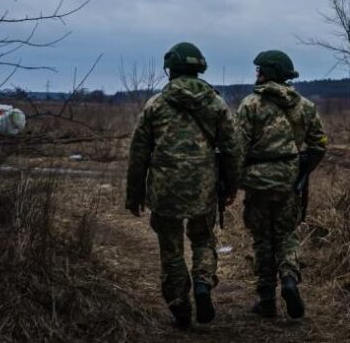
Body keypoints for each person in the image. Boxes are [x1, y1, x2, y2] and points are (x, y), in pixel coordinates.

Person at [125, 42, 241, 329]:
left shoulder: (155, 105)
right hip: (203, 187)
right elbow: (232, 148)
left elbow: (138, 153)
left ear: (171, 70)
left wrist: (134, 194)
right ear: (199, 68)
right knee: (203, 238)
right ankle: (202, 283)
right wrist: (231, 186)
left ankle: (180, 307)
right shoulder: (216, 104)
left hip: (165, 190)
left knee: (171, 249)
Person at [237, 50, 328, 319]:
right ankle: (289, 278)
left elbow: (237, 148)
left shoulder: (250, 105)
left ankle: (266, 300)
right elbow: (320, 144)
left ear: (267, 73)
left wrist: (234, 179)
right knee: (287, 235)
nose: (257, 74)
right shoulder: (305, 106)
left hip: (257, 184)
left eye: (259, 70)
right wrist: (301, 170)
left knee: (262, 240)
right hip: (289, 182)